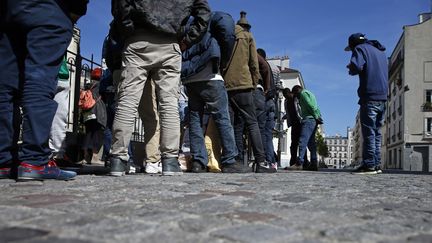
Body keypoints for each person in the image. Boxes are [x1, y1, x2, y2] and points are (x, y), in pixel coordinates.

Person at [109, 0, 211, 176]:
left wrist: (128, 29)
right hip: (170, 42)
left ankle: (118, 160)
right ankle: (170, 161)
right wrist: (187, 40)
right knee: (169, 103)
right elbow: (204, 13)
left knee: (128, 100)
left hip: (138, 39)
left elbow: (120, 4)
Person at [0, 0, 88, 181]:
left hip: (10, 9)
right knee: (39, 78)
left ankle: (3, 161)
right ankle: (34, 160)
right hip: (50, 7)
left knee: (5, 84)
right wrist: (76, 10)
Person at [181, 11, 251, 173]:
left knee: (195, 119)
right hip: (210, 75)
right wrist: (222, 58)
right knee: (222, 118)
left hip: (190, 77)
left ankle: (198, 161)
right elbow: (227, 33)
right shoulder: (211, 19)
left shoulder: (187, 22)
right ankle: (229, 160)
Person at [224, 11, 275, 173]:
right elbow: (256, 63)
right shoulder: (248, 37)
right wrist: (254, 83)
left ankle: (232, 160)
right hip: (243, 84)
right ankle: (260, 162)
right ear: (247, 27)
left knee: (231, 125)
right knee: (252, 123)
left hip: (226, 84)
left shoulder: (225, 36)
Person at [345, 33, 388, 175]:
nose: (351, 52)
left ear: (353, 45)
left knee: (369, 132)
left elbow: (357, 67)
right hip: (383, 97)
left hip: (370, 95)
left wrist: (351, 67)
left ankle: (369, 165)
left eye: (351, 49)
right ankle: (376, 164)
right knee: (376, 132)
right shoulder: (380, 52)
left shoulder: (360, 49)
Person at [288, 85, 321, 171]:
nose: (297, 98)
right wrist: (317, 116)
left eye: (296, 95)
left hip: (309, 119)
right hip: (313, 119)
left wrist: (316, 116)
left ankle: (299, 163)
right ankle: (314, 163)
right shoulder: (310, 93)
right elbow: (315, 106)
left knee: (302, 141)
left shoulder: (303, 94)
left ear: (297, 91)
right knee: (311, 143)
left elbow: (310, 105)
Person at [81, 68, 107, 165]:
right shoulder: (100, 85)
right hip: (97, 112)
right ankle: (95, 157)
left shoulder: (88, 85)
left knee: (88, 133)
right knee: (97, 133)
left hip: (87, 112)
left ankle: (85, 157)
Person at [257, 48, 277, 166]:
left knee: (262, 132)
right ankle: (272, 161)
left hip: (264, 100)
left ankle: (266, 160)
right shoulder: (273, 68)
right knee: (268, 134)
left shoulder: (262, 66)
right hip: (272, 103)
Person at [282, 88, 307, 167]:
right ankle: (292, 161)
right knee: (293, 144)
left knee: (301, 143)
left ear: (289, 93)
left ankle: (304, 161)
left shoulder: (296, 99)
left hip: (300, 123)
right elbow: (288, 112)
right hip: (293, 124)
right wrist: (285, 116)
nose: (285, 97)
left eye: (286, 95)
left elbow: (300, 110)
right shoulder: (286, 101)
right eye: (284, 96)